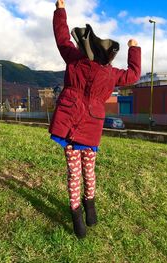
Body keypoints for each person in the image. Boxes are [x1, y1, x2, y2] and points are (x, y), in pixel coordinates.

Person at [50, 0, 141, 238]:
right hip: (91, 127)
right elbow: (133, 75)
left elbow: (62, 38)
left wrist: (61, 11)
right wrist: (134, 48)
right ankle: (90, 209)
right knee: (89, 171)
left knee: (73, 172)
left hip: (69, 124)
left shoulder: (74, 59)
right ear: (108, 56)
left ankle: (77, 216)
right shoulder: (110, 74)